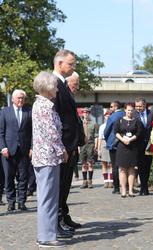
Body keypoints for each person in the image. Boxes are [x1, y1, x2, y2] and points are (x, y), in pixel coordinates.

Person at [32, 71, 68, 248]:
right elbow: (51, 133)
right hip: (48, 157)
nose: (57, 90)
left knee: (48, 197)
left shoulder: (41, 105)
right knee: (48, 198)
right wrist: (63, 150)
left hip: (45, 157)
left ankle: (46, 234)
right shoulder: (44, 107)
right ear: (47, 88)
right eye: (54, 86)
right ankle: (45, 237)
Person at [53, 49, 81, 237]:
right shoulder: (54, 84)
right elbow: (56, 119)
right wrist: (61, 146)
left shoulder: (63, 84)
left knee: (65, 185)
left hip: (69, 145)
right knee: (59, 186)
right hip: (63, 145)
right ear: (60, 63)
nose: (73, 67)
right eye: (70, 64)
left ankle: (61, 218)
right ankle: (55, 222)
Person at [0, 89, 32, 211]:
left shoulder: (28, 112)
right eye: (18, 98)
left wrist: (32, 148)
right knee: (9, 177)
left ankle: (22, 202)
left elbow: (33, 132)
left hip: (24, 150)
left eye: (22, 98)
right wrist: (3, 147)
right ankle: (11, 202)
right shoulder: (4, 112)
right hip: (8, 150)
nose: (20, 100)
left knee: (23, 177)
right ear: (13, 99)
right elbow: (1, 132)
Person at [114, 103, 142, 198]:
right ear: (125, 110)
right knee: (122, 169)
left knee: (131, 169)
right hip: (122, 147)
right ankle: (123, 190)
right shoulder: (119, 120)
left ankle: (130, 190)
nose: (130, 112)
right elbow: (116, 132)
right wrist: (123, 139)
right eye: (128, 110)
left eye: (131, 110)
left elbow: (138, 133)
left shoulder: (137, 121)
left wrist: (130, 139)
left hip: (132, 147)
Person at [134, 98, 153, 196]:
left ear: (145, 105)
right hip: (138, 145)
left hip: (150, 144)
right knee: (141, 166)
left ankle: (145, 186)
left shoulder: (151, 114)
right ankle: (143, 188)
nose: (138, 108)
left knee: (148, 166)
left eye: (140, 106)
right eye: (136, 106)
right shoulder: (134, 114)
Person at [104, 101, 125, 194]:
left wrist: (108, 140)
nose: (110, 108)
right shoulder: (126, 114)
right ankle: (127, 187)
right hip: (126, 143)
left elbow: (106, 131)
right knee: (126, 166)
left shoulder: (112, 117)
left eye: (111, 106)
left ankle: (116, 188)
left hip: (114, 143)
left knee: (115, 166)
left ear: (116, 107)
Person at [66, 72, 80, 182]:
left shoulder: (70, 97)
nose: (77, 87)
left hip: (72, 146)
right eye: (75, 84)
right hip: (66, 145)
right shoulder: (64, 96)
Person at [79, 107, 98, 189]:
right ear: (82, 114)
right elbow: (78, 136)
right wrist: (78, 147)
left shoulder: (94, 123)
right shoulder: (80, 123)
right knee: (83, 164)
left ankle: (90, 181)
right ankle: (84, 181)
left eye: (87, 112)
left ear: (89, 113)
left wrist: (96, 146)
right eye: (84, 112)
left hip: (90, 144)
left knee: (90, 163)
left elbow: (96, 136)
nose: (86, 114)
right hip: (82, 145)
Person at [98, 111, 113, 188]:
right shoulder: (102, 126)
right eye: (106, 115)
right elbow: (99, 138)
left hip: (110, 142)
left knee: (111, 163)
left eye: (109, 115)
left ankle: (111, 181)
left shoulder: (113, 125)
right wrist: (98, 149)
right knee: (104, 163)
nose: (107, 117)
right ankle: (105, 181)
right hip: (103, 142)